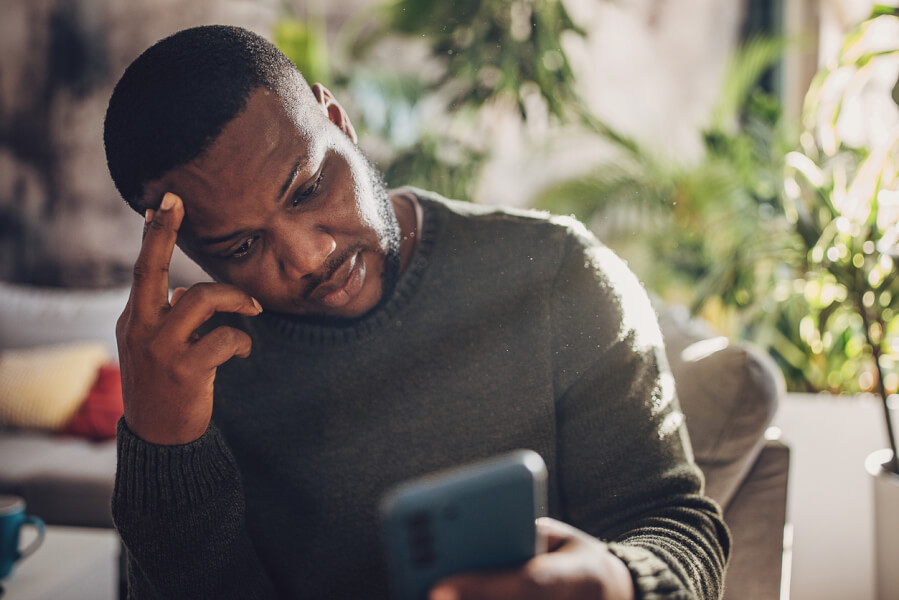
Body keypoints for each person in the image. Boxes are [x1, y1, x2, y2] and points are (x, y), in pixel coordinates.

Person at [103, 24, 729, 600]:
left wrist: (620, 581)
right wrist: (162, 450)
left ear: (337, 121)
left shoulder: (557, 274)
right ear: (183, 247)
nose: (309, 257)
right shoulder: (191, 380)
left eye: (310, 186)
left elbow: (676, 522)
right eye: (242, 246)